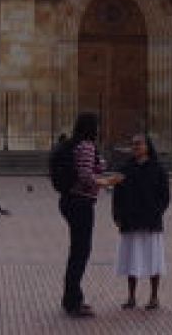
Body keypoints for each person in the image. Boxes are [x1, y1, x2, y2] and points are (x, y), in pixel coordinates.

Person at [57, 112, 121, 318]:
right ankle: (73, 301)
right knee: (80, 252)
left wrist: (100, 167)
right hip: (80, 202)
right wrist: (105, 182)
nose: (99, 129)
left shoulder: (78, 144)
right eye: (97, 125)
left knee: (78, 250)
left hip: (72, 201)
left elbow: (89, 168)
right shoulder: (86, 146)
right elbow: (85, 176)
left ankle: (72, 298)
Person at [111, 132, 169, 311]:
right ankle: (131, 296)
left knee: (154, 259)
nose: (136, 147)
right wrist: (117, 215)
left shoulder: (158, 168)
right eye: (133, 144)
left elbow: (164, 196)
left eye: (139, 144)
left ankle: (154, 297)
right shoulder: (125, 168)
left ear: (147, 146)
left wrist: (157, 211)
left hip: (151, 220)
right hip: (130, 219)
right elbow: (117, 194)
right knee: (131, 259)